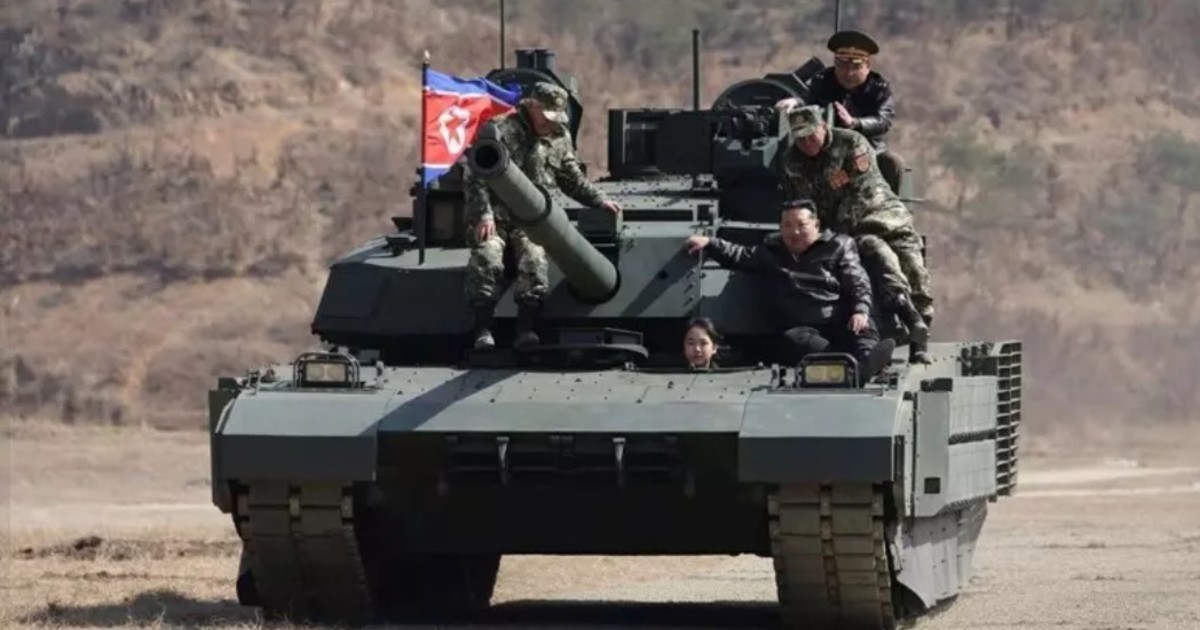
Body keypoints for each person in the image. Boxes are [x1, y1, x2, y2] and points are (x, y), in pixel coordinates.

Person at [463, 82, 622, 350]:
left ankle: (525, 329)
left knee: (535, 259)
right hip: (495, 217)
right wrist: (483, 214)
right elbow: (474, 176)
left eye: (556, 117)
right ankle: (483, 330)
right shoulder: (501, 130)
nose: (551, 123)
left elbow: (571, 178)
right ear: (532, 106)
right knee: (487, 257)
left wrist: (598, 200)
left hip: (532, 222)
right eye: (547, 116)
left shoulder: (559, 136)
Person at [775, 105, 932, 364]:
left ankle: (920, 335)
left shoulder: (852, 144)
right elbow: (803, 204)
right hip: (847, 231)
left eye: (811, 135)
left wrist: (836, 236)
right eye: (800, 138)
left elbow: (860, 193)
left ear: (823, 127)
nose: (806, 143)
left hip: (880, 215)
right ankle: (908, 319)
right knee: (878, 253)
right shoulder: (792, 162)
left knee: (915, 268)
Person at [683, 200, 896, 380]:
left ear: (816, 225)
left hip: (840, 319)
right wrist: (709, 242)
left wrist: (860, 310)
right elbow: (739, 254)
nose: (794, 232)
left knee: (863, 327)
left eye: (801, 225)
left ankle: (867, 363)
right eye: (787, 225)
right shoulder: (772, 252)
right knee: (795, 340)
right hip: (804, 327)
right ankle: (845, 370)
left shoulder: (839, 246)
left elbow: (857, 280)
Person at [776, 30, 905, 194]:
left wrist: (854, 123)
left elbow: (883, 120)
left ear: (867, 66)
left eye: (856, 67)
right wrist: (795, 102)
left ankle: (886, 206)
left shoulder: (878, 88)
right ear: (835, 63)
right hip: (826, 151)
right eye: (843, 66)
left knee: (893, 163)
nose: (848, 73)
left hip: (867, 151)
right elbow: (808, 100)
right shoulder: (823, 80)